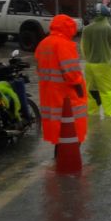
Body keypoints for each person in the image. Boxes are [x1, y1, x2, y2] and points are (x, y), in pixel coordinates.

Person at [35, 14, 87, 150]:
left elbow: (39, 69)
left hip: (49, 95)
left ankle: (59, 160)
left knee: (59, 131)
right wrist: (79, 87)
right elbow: (72, 74)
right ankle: (67, 165)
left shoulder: (43, 43)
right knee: (71, 131)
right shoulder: (65, 44)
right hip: (67, 96)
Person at [81, 3, 111, 118]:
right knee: (108, 91)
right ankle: (110, 118)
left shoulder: (87, 29)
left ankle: (93, 116)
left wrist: (89, 59)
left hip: (89, 66)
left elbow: (84, 48)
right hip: (104, 65)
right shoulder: (108, 28)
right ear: (106, 15)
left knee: (91, 91)